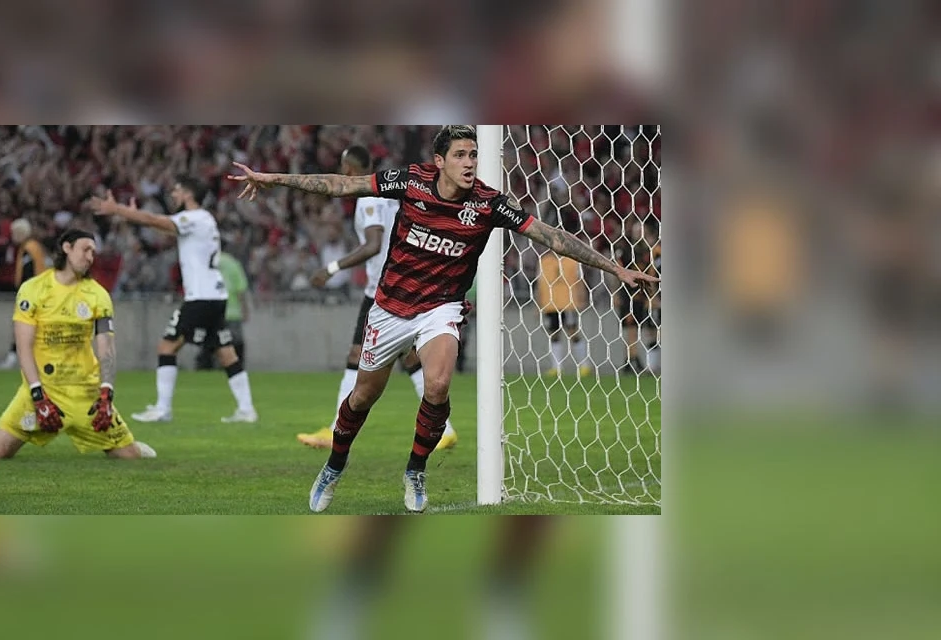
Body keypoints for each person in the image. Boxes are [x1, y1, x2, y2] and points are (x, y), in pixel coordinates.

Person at [229, 125, 658, 513]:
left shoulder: (490, 204)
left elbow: (553, 237)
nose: (470, 162)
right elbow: (344, 185)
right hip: (391, 305)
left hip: (442, 307)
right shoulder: (410, 181)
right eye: (461, 155)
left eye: (474, 154)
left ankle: (416, 469)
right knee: (362, 398)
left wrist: (614, 268)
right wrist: (273, 179)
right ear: (440, 161)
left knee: (436, 385)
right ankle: (334, 466)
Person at [295, 145, 457, 451]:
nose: (344, 175)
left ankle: (334, 430)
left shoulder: (367, 200)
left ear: (351, 171)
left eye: (344, 170)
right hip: (398, 285)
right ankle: (444, 429)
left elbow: (373, 244)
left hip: (382, 291)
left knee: (357, 356)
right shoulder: (385, 196)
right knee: (410, 358)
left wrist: (331, 268)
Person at [0, 229, 156, 460]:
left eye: (93, 252)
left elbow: (106, 347)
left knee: (131, 458)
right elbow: (24, 346)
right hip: (43, 389)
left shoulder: (98, 295)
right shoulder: (33, 289)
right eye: (85, 249)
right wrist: (37, 394)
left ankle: (133, 445)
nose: (90, 257)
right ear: (66, 248)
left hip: (85, 392)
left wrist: (106, 392)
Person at [89, 176, 258, 424]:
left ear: (189, 194)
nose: (174, 195)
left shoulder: (196, 217)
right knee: (226, 354)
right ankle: (246, 409)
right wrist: (134, 216)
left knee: (167, 347)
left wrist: (119, 210)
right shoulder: (204, 220)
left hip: (200, 297)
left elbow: (157, 221)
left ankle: (162, 408)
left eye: (178, 190)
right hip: (214, 295)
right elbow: (163, 225)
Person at [0, 217, 48, 369]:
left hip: (32, 294)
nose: (13, 235)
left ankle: (14, 358)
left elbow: (29, 272)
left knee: (22, 326)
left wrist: (24, 292)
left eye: (15, 232)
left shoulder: (28, 248)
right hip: (39, 292)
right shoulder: (32, 246)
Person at [613, 220, 660, 374]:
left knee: (647, 328)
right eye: (636, 230)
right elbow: (616, 272)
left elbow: (653, 272)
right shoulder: (625, 250)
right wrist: (615, 293)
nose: (638, 233)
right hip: (628, 295)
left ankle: (643, 362)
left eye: (641, 230)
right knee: (631, 328)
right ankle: (631, 360)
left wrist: (653, 296)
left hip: (645, 295)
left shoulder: (650, 251)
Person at [537, 246, 592, 377]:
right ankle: (556, 367)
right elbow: (539, 282)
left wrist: (583, 298)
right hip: (550, 304)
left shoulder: (572, 260)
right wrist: (538, 304)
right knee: (554, 335)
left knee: (573, 333)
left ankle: (584, 366)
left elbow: (580, 281)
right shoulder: (544, 261)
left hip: (569, 303)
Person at [197, 250, 249, 369]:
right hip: (232, 311)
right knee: (235, 341)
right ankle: (235, 367)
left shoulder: (207, 262)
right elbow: (240, 289)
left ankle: (206, 366)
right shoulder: (233, 264)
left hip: (213, 311)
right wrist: (245, 310)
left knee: (211, 340)